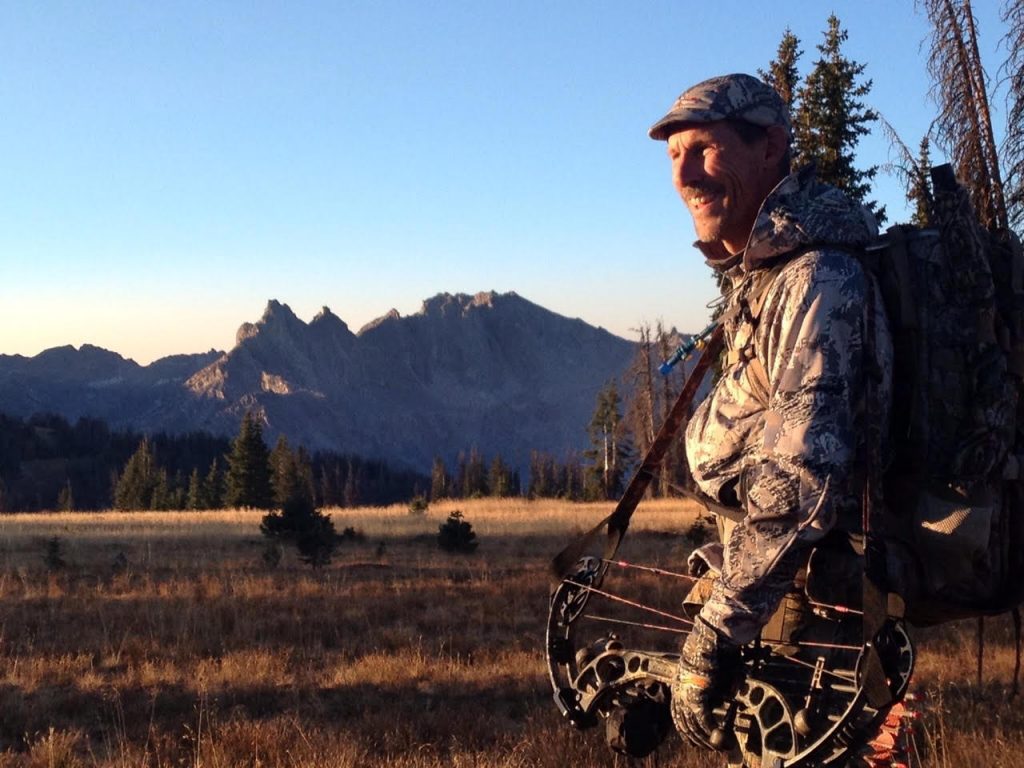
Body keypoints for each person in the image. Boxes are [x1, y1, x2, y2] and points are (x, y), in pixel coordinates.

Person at [647, 73, 893, 749]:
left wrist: (717, 631)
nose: (685, 173)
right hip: (785, 616)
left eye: (703, 148)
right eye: (673, 156)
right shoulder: (773, 274)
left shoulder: (817, 279)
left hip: (817, 632)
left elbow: (801, 485)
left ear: (770, 148)